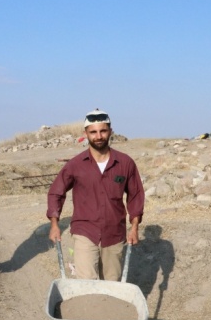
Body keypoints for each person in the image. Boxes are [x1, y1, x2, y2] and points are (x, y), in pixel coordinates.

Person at [47, 109, 145, 281]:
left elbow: (135, 196)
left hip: (114, 233)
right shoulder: (76, 165)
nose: (98, 136)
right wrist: (55, 224)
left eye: (103, 131)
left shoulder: (125, 163)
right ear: (86, 134)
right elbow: (56, 192)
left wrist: (134, 227)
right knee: (86, 284)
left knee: (112, 284)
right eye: (93, 132)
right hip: (85, 230)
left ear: (110, 131)